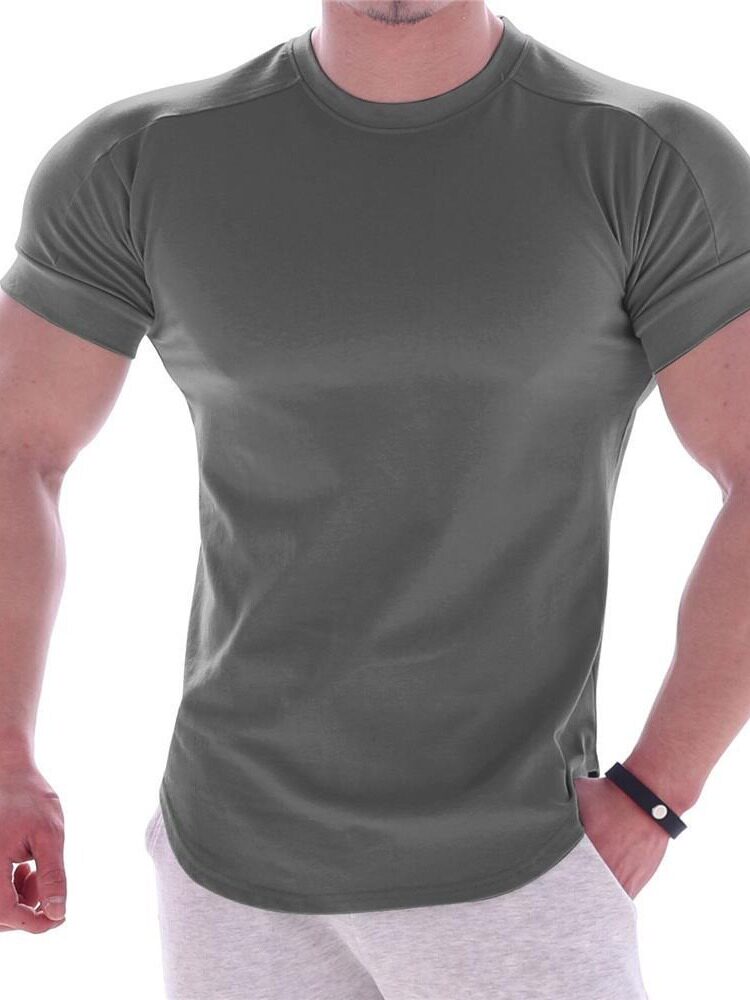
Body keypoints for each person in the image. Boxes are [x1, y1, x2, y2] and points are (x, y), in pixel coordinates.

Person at [2, 2, 750, 997]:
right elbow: (18, 450)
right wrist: (6, 756)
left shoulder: (646, 157)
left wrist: (657, 792)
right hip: (229, 864)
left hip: (523, 863)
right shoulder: (138, 161)